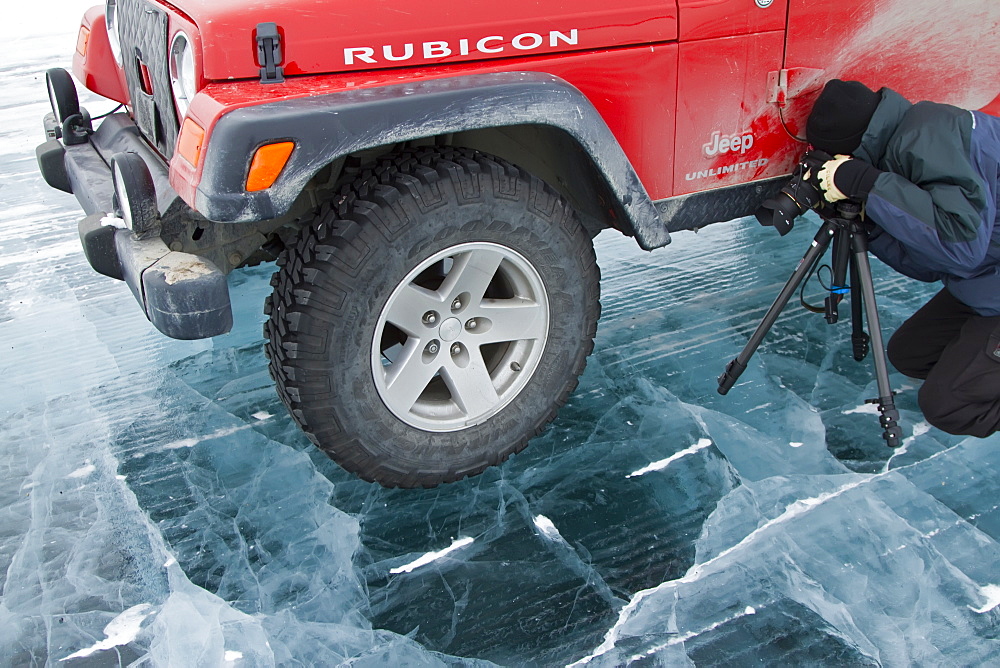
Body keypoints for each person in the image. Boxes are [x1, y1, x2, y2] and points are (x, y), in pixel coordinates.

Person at [803, 79, 1000, 438]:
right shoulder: (900, 144)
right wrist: (869, 224)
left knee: (947, 406)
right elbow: (931, 265)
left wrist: (866, 183)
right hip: (986, 280)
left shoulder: (929, 135)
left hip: (987, 278)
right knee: (910, 354)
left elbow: (961, 245)